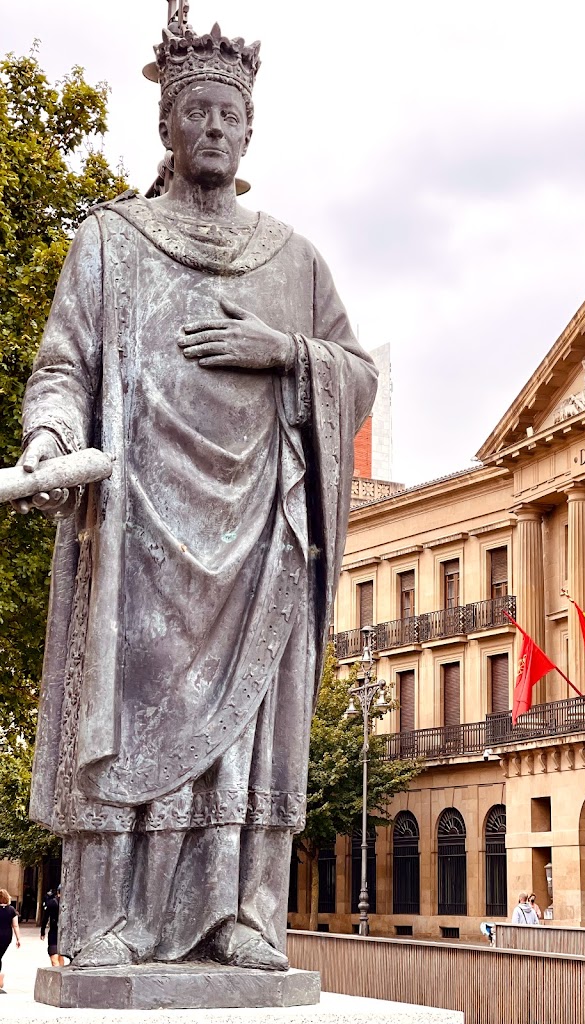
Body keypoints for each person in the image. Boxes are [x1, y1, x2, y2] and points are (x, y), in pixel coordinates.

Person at [15, 15, 376, 970]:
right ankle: (110, 923)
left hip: (257, 529)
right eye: (196, 113)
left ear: (249, 131)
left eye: (229, 114)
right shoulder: (108, 240)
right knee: (131, 710)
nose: (213, 128)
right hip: (137, 528)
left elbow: (358, 372)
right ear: (168, 128)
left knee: (244, 733)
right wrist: (51, 436)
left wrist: (287, 354)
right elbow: (63, 364)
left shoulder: (293, 261)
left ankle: (238, 915)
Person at [0, 889, 21, 994]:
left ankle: (0, 977)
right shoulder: (11, 910)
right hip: (6, 936)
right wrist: (18, 939)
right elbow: (15, 925)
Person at [41, 887, 63, 967]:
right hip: (62, 933)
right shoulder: (69, 904)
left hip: (55, 932)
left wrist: (42, 931)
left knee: (55, 957)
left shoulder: (52, 902)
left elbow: (45, 917)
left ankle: (58, 976)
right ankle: (60, 975)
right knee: (60, 956)